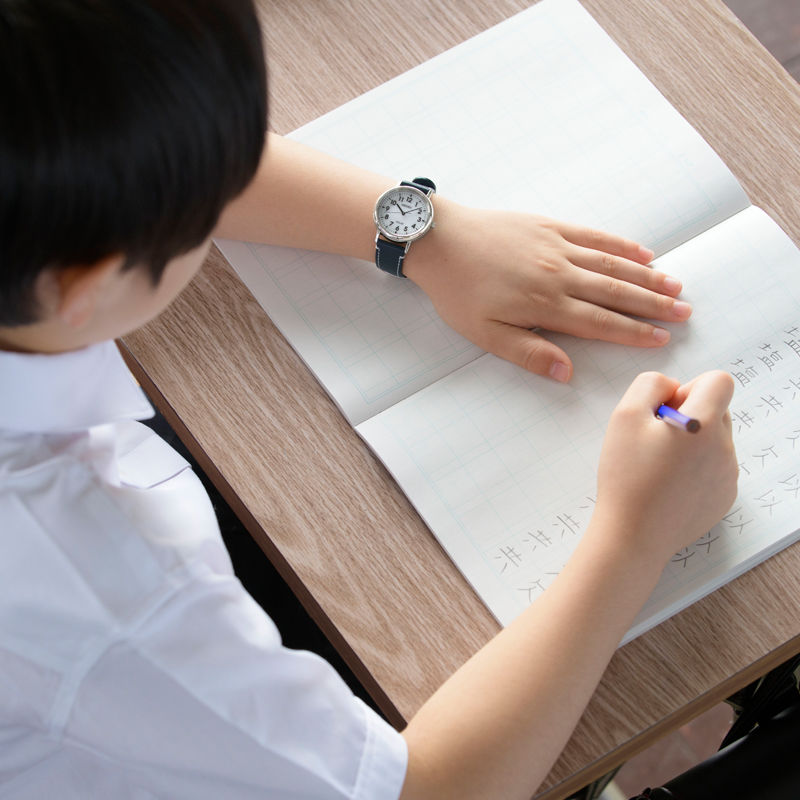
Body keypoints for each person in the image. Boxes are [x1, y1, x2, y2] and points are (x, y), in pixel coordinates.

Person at [0, 1, 738, 798]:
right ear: (83, 283)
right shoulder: (106, 597)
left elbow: (135, 132)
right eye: (204, 198)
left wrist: (422, 232)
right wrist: (636, 533)